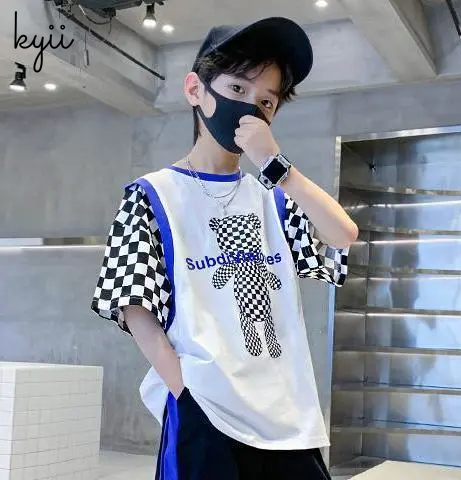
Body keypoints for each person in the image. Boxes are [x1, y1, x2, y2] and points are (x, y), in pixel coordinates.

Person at [91, 16, 358, 480]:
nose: (249, 109)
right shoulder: (152, 196)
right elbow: (133, 305)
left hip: (286, 415)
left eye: (266, 101)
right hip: (207, 411)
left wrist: (278, 168)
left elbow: (343, 235)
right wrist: (184, 390)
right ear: (195, 90)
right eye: (237, 89)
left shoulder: (273, 198)